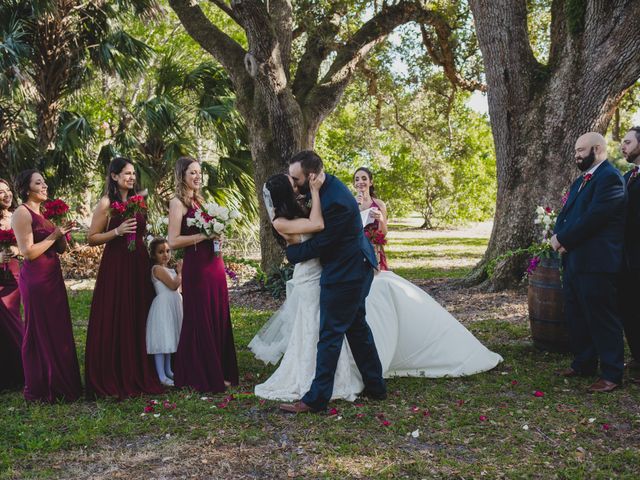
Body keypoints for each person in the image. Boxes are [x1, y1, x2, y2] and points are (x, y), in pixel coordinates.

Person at [251, 174, 502, 403]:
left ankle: (355, 386)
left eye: (297, 179)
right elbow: (315, 229)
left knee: (338, 329)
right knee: (322, 329)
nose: (298, 185)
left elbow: (317, 231)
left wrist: (312, 199)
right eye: (292, 182)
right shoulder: (284, 219)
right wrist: (313, 198)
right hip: (314, 276)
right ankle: (325, 384)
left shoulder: (312, 204)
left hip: (333, 273)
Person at [277, 151, 387, 414]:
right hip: (355, 268)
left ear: (311, 177)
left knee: (330, 334)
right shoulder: (326, 188)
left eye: (296, 179)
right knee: (357, 328)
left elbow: (322, 244)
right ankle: (376, 385)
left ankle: (316, 399)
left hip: (346, 274)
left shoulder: (335, 200)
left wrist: (291, 254)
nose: (293, 184)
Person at [551, 132, 626, 393]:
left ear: (597, 149)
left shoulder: (610, 179)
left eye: (581, 150)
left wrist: (562, 238)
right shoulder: (582, 180)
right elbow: (569, 213)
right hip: (575, 260)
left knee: (602, 317)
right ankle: (583, 363)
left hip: (597, 262)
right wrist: (557, 234)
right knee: (577, 314)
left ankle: (612, 374)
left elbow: (595, 218)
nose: (577, 155)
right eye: (576, 151)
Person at [85, 157, 163, 399]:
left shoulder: (138, 202)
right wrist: (117, 231)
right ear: (114, 176)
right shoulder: (106, 203)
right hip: (116, 263)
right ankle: (114, 371)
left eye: (133, 174)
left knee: (139, 311)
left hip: (138, 261)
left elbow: (143, 231)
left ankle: (142, 368)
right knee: (116, 312)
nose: (131, 177)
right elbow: (91, 237)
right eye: (126, 173)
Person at [168, 156, 238, 393]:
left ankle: (219, 367)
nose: (197, 177)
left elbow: (209, 231)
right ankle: (200, 372)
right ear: (182, 176)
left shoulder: (200, 201)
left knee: (216, 313)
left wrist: (217, 235)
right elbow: (173, 241)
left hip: (214, 265)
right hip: (196, 267)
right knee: (200, 316)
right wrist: (203, 236)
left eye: (199, 172)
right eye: (192, 173)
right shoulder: (177, 203)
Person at [11, 170, 82, 402]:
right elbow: (28, 252)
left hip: (53, 277)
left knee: (58, 327)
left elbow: (60, 249)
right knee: (40, 330)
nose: (45, 186)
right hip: (36, 280)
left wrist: (61, 232)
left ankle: (63, 383)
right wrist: (54, 235)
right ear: (26, 188)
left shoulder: (44, 213)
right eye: (38, 182)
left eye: (44, 182)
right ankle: (42, 385)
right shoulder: (22, 212)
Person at [146, 238, 183, 387]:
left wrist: (178, 273)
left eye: (167, 251)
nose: (165, 255)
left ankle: (168, 371)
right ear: (154, 255)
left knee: (169, 338)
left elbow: (179, 289)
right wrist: (180, 272)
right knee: (162, 340)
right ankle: (161, 375)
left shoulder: (170, 269)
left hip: (173, 305)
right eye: (161, 252)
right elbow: (174, 285)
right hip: (163, 306)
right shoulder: (157, 269)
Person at [619, 126, 640, 380]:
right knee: (627, 308)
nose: (622, 146)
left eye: (627, 142)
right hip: (624, 257)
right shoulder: (626, 177)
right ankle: (637, 357)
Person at [0, 178, 24, 391]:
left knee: (10, 315)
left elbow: (27, 244)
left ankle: (24, 367)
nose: (6, 194)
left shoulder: (16, 216)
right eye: (1, 192)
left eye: (8, 190)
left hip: (13, 274)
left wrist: (17, 251)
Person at [354, 167, 389, 270]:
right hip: (356, 252)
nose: (360, 182)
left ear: (370, 182)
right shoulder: (349, 203)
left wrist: (381, 219)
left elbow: (384, 233)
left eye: (364, 178)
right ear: (354, 184)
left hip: (375, 251)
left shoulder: (379, 204)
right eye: (357, 179)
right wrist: (354, 206)